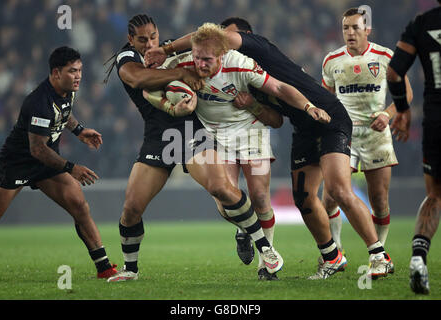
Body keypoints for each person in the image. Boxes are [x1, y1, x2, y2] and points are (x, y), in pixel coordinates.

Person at [145, 17, 393, 280]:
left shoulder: (254, 47)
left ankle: (379, 255)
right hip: (303, 128)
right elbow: (275, 119)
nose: (223, 44)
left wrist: (166, 48)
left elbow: (278, 85)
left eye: (226, 38)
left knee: (338, 190)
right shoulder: (244, 73)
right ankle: (332, 256)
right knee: (304, 199)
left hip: (328, 117)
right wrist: (252, 106)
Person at [103, 14, 283, 282]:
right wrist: (180, 75)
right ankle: (131, 269)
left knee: (220, 188)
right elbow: (139, 80)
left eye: (153, 36)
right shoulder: (126, 58)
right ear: (131, 39)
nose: (149, 42)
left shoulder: (167, 49)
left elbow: (206, 40)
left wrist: (170, 51)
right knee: (131, 209)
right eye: (142, 39)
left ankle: (265, 249)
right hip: (159, 136)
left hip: (190, 129)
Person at [0, 46, 117, 279]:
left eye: (80, 70)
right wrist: (71, 168)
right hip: (18, 163)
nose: (78, 76)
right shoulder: (38, 102)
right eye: (72, 71)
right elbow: (37, 148)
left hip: (45, 164)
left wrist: (79, 131)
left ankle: (105, 267)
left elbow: (64, 113)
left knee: (79, 204)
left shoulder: (67, 90)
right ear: (56, 73)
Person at [321, 8, 413, 252]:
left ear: (367, 29)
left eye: (355, 27)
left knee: (379, 199)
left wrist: (387, 114)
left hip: (376, 135)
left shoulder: (385, 56)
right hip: (344, 135)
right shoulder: (331, 60)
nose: (349, 33)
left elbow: (407, 93)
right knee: (330, 195)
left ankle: (379, 252)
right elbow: (327, 101)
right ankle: (336, 248)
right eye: (345, 28)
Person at [387, 0, 441, 294]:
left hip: (435, 120)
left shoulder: (422, 23)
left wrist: (403, 111)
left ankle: (419, 258)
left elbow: (394, 73)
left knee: (434, 194)